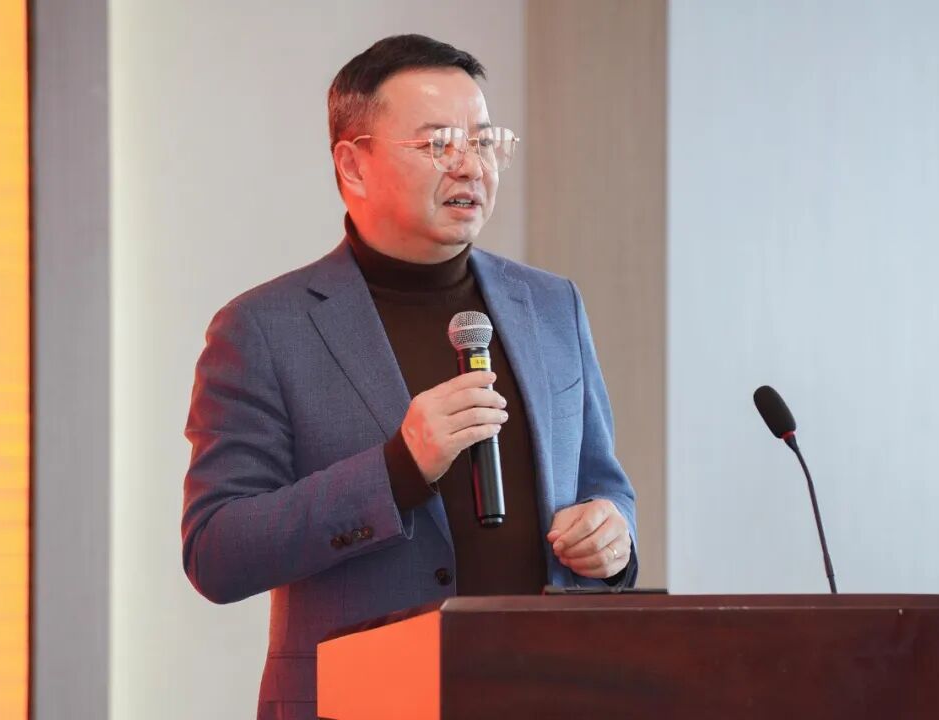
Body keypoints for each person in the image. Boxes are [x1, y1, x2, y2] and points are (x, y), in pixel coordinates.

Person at [181, 34, 638, 720]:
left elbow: (604, 482)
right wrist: (397, 469)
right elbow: (216, 551)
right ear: (353, 165)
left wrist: (614, 534)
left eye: (483, 141)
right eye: (438, 144)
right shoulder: (264, 329)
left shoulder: (551, 306)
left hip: (550, 692)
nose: (471, 165)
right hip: (361, 702)